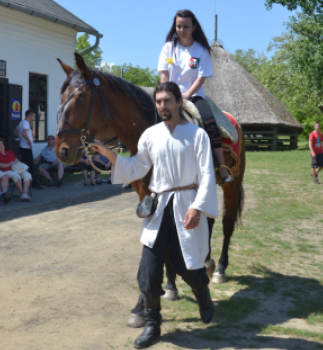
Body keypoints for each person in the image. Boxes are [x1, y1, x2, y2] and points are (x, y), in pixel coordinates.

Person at [91, 82, 218, 348]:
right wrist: (108, 154)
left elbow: (207, 175)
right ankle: (153, 325)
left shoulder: (197, 136)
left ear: (178, 102)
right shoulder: (150, 135)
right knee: (148, 271)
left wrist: (198, 207)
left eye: (167, 101)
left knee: (189, 268)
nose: (162, 106)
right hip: (159, 208)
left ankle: (203, 294)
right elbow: (137, 166)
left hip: (187, 206)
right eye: (158, 101)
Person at [157, 9, 233, 184]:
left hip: (194, 95)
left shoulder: (201, 50)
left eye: (186, 26)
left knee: (208, 120)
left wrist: (186, 96)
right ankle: (138, 167)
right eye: (179, 26)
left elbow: (201, 78)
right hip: (169, 95)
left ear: (194, 27)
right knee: (146, 117)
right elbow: (164, 75)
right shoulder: (169, 48)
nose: (182, 29)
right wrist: (165, 94)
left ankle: (221, 166)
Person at [14, 110, 42, 189]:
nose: (33, 118)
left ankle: (26, 181)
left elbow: (15, 131)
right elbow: (24, 133)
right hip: (26, 147)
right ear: (30, 115)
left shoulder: (21, 123)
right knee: (30, 165)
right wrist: (29, 141)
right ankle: (33, 183)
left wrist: (21, 138)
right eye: (33, 116)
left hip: (23, 146)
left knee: (25, 165)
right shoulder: (26, 123)